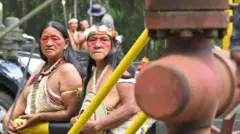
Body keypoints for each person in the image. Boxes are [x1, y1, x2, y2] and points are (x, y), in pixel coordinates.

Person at [2, 21, 84, 134]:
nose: (49, 43)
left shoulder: (67, 70)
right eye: (45, 39)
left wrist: (39, 117)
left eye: (55, 38)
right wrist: (8, 118)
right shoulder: (41, 67)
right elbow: (22, 100)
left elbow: (71, 113)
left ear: (66, 43)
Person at [70, 25, 154, 134]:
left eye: (104, 40)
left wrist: (98, 124)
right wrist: (77, 120)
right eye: (92, 40)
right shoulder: (91, 74)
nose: (97, 45)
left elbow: (132, 106)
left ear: (115, 45)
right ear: (87, 45)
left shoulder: (121, 70)